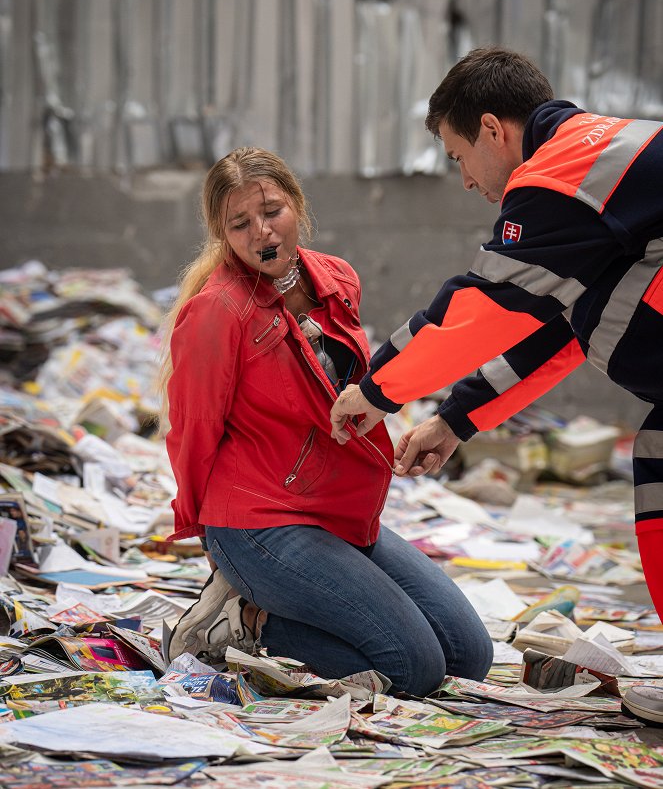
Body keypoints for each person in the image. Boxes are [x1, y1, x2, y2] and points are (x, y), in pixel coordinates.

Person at [330, 46, 663, 624]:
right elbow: (561, 327)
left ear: (492, 130)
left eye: (459, 156)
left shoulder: (558, 175)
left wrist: (375, 389)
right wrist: (456, 419)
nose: (464, 180)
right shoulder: (603, 158)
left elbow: (482, 308)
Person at [160, 146, 492, 696]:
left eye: (272, 211)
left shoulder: (336, 279)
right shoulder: (219, 310)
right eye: (239, 224)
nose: (261, 232)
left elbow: (355, 391)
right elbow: (193, 430)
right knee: (415, 670)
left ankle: (268, 609)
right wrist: (206, 531)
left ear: (297, 205)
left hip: (338, 511)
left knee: (468, 657)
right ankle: (244, 623)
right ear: (221, 234)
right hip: (260, 523)